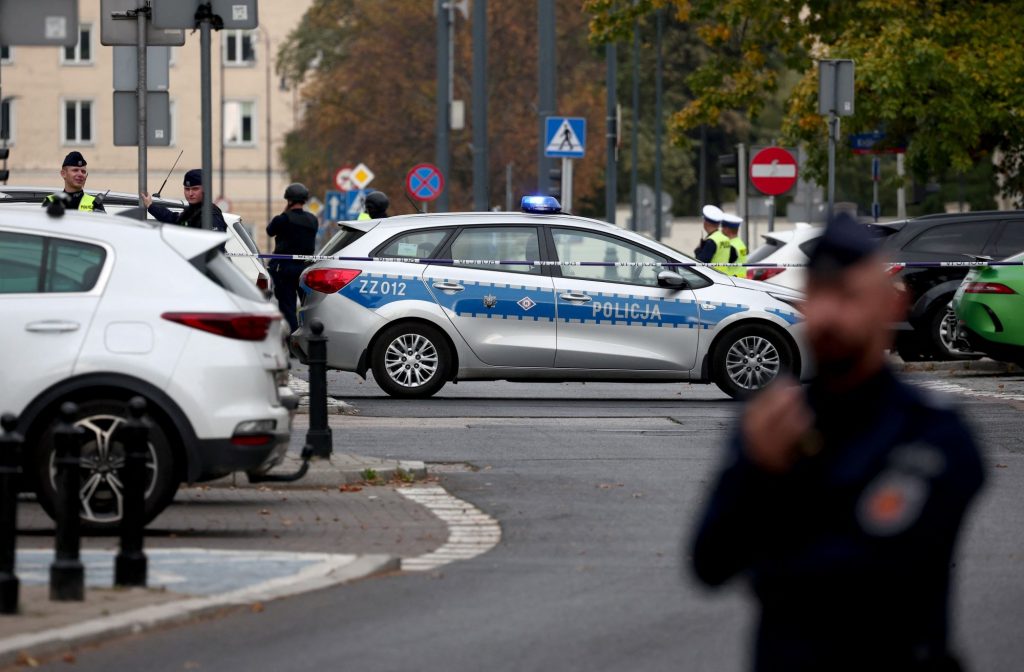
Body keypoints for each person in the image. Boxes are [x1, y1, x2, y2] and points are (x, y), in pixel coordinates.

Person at [690, 213, 985, 672]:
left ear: (891, 305)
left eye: (848, 295)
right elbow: (709, 563)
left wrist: (776, 487)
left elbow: (869, 576)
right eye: (820, 295)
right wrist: (754, 469)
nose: (829, 314)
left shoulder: (932, 433)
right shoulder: (773, 421)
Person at [267, 183, 318, 333]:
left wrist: (285, 211)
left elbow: (270, 231)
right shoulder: (313, 220)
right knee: (307, 305)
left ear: (288, 200)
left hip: (285, 269)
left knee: (287, 306)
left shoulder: (283, 219)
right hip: (305, 269)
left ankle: (292, 339)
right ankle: (309, 336)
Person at [140, 169, 226, 231]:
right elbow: (173, 219)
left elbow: (216, 249)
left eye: (195, 189)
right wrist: (151, 205)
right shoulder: (191, 212)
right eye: (187, 189)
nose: (190, 193)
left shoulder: (210, 214)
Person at [41, 152, 106, 212]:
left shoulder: (95, 203)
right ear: (63, 174)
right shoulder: (51, 201)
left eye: (83, 171)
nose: (80, 174)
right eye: (75, 170)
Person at [720, 213, 747, 278]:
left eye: (723, 228)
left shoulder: (730, 246)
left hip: (733, 280)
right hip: (741, 280)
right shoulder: (740, 243)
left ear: (727, 229)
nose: (721, 230)